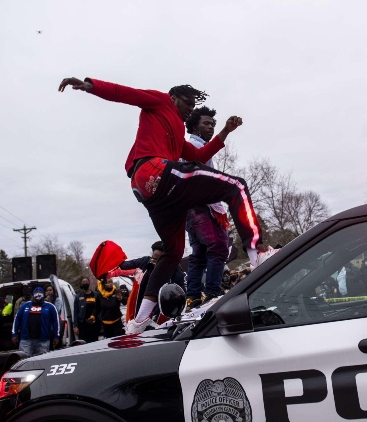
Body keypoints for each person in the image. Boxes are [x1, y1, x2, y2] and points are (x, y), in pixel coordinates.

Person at [59, 77, 267, 334]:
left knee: (173, 251)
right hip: (152, 171)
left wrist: (224, 132)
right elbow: (126, 93)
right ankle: (258, 255)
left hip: (150, 193)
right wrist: (91, 86)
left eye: (193, 106)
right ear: (174, 98)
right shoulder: (159, 101)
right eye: (187, 103)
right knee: (235, 187)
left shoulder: (177, 134)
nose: (190, 109)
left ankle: (139, 321)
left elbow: (199, 156)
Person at [183, 106, 230, 311]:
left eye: (213, 124)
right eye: (206, 123)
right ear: (194, 125)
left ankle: (193, 297)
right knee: (219, 246)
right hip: (201, 207)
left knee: (199, 253)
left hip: (192, 208)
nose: (211, 127)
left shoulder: (196, 146)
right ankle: (212, 294)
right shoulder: (194, 146)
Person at [11, 286, 59, 357]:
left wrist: (56, 336)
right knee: (24, 361)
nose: (38, 294)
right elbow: (17, 319)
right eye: (36, 292)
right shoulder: (25, 306)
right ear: (33, 294)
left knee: (42, 362)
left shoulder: (50, 307)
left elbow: (55, 321)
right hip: (26, 340)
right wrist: (14, 334)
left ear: (43, 294)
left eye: (40, 292)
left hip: (43, 340)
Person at [73, 277, 99, 343]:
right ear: (81, 284)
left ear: (89, 283)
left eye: (86, 281)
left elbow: (99, 307)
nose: (85, 283)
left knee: (94, 342)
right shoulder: (78, 297)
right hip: (83, 324)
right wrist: (75, 326)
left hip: (94, 324)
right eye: (83, 282)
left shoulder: (96, 294)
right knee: (84, 343)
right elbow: (75, 312)